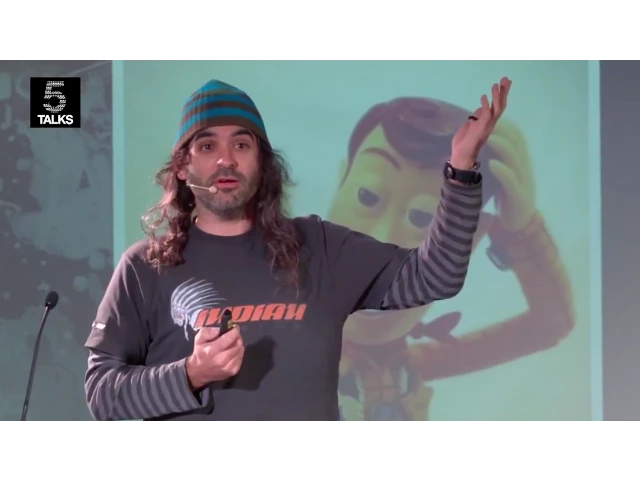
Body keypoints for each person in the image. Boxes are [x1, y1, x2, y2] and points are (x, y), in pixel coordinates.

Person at [84, 77, 512, 421]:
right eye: (207, 145)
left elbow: (436, 276)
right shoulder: (145, 266)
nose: (226, 160)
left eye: (241, 144)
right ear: (182, 167)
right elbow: (102, 395)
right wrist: (191, 374)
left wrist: (461, 168)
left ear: (262, 163)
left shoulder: (319, 248)